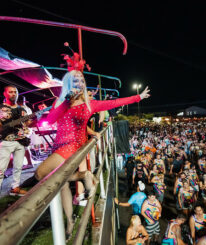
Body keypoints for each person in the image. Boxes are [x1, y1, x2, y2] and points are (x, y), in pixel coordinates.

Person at [21, 69, 150, 236]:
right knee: (62, 185)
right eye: (75, 81)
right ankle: (69, 222)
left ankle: (83, 176)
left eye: (81, 81)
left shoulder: (90, 103)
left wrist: (138, 97)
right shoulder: (61, 101)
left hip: (72, 146)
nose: (79, 84)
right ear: (67, 83)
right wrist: (67, 102)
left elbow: (114, 103)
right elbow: (51, 119)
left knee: (40, 173)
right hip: (58, 146)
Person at [0, 85, 32, 208]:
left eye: (15, 92)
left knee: (18, 167)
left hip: (20, 141)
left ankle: (15, 188)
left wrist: (30, 122)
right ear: (5, 94)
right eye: (10, 92)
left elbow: (27, 123)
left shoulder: (22, 109)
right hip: (5, 141)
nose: (13, 94)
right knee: (0, 169)